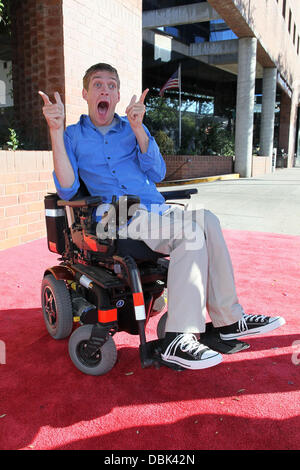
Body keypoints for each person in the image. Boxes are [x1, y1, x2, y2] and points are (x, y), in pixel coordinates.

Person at [39, 62, 285, 371]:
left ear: (117, 96)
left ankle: (229, 321)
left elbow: (158, 172)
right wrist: (55, 131)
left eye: (111, 86)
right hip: (113, 215)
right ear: (86, 93)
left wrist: (140, 128)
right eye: (98, 85)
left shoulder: (132, 129)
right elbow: (67, 187)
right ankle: (177, 338)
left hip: (152, 208)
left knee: (207, 219)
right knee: (189, 234)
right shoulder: (73, 135)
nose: (105, 90)